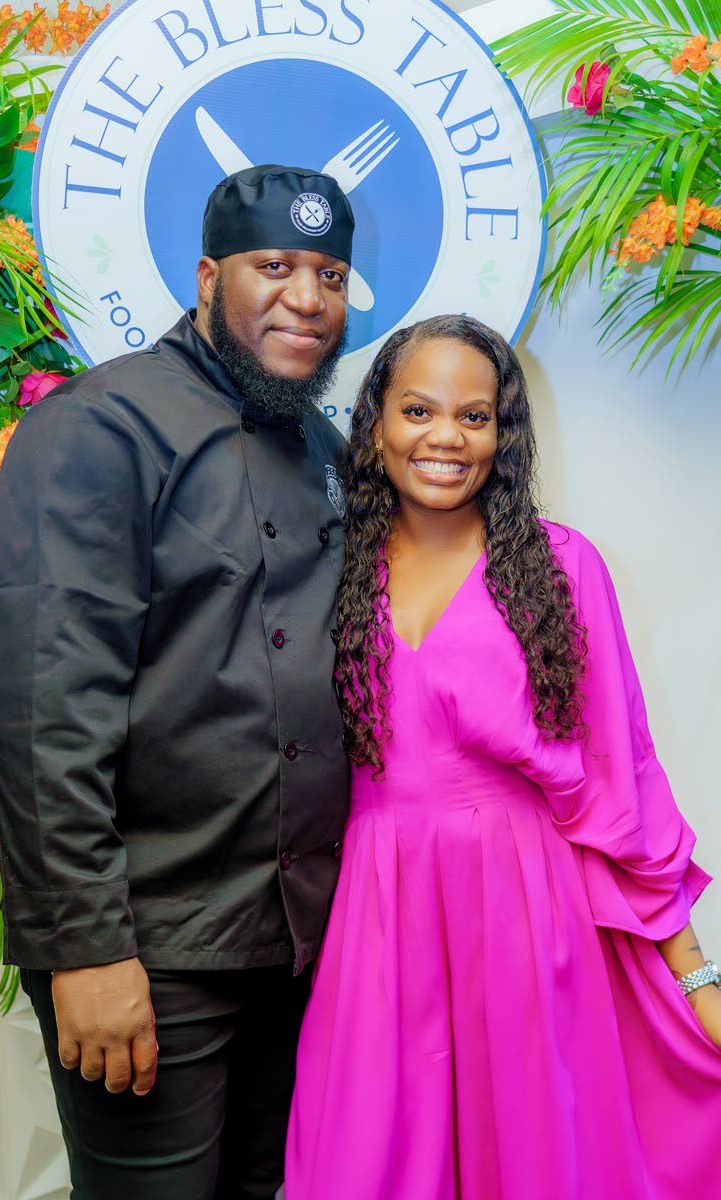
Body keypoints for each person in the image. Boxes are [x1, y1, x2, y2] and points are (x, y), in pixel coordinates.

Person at [0, 164, 355, 1200]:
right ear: (205, 277)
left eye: (327, 274)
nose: (305, 298)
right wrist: (85, 949)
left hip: (295, 942)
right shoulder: (99, 428)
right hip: (151, 948)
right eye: (273, 266)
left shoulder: (318, 442)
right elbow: (41, 707)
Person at [285, 314, 721, 1200]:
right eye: (418, 409)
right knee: (363, 1162)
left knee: (528, 1160)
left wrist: (696, 974)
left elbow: (621, 782)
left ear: (502, 434)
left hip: (526, 913)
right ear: (375, 425)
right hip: (376, 912)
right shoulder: (328, 571)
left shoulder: (562, 569)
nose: (446, 436)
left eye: (474, 416)